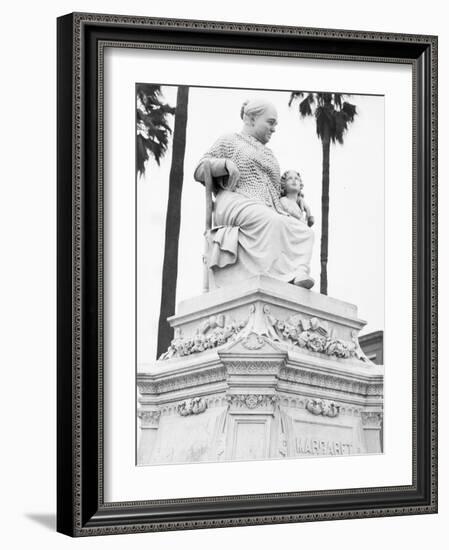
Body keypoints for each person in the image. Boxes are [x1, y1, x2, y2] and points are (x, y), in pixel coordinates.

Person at [194, 98, 315, 289]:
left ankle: (297, 273)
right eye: (270, 122)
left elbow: (278, 192)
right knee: (271, 221)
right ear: (251, 119)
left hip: (268, 207)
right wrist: (224, 164)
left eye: (275, 124)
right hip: (235, 199)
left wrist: (297, 202)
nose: (274, 128)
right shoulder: (230, 140)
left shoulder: (270, 154)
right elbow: (201, 169)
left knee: (305, 232)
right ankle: (276, 277)